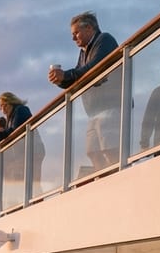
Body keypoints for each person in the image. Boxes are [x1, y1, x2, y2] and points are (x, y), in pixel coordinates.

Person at [49, 11, 120, 170]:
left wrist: (66, 75)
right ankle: (104, 178)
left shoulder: (105, 40)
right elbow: (77, 76)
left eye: (76, 33)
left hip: (111, 107)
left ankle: (117, 178)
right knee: (92, 152)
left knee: (110, 149)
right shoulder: (83, 52)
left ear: (89, 28)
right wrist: (60, 81)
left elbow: (93, 67)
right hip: (95, 112)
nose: (73, 38)